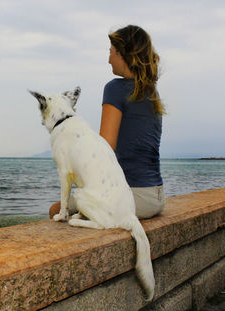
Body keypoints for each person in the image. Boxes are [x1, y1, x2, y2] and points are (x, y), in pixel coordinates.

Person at [49, 25, 165, 219]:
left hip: (132, 198)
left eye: (111, 52)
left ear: (123, 55)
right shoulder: (151, 92)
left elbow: (105, 149)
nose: (108, 58)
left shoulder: (115, 89)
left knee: (56, 210)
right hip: (156, 196)